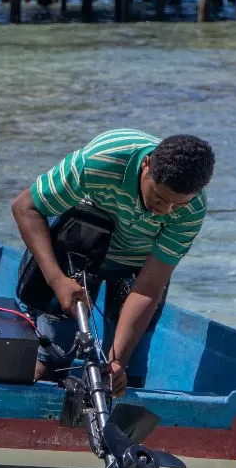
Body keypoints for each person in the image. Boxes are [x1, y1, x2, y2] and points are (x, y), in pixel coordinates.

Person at [11, 129, 213, 397]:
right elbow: (26, 207)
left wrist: (118, 360)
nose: (165, 211)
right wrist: (57, 280)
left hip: (136, 264)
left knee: (125, 377)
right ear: (146, 165)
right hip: (80, 253)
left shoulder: (193, 208)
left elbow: (148, 287)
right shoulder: (100, 161)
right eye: (161, 198)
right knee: (52, 362)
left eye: (177, 205)